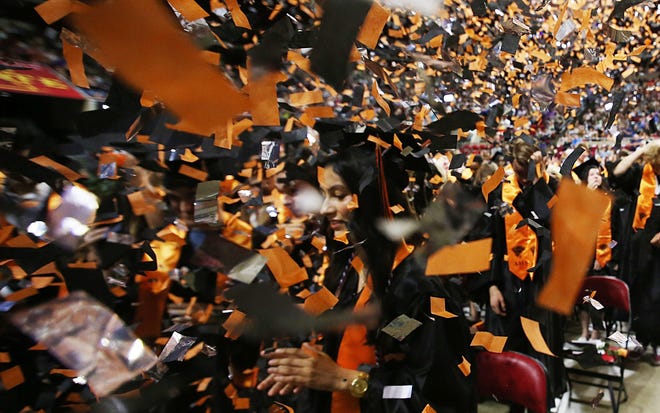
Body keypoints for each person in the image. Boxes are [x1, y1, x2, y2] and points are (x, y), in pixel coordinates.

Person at [257, 146, 476, 412]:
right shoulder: (351, 267)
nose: (325, 208)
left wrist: (345, 380)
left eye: (339, 195)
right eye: (324, 195)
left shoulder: (418, 289)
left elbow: (434, 394)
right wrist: (308, 366)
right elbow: (377, 346)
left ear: (370, 198)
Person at [484, 138, 565, 410]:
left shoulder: (550, 188)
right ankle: (515, 399)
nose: (523, 175)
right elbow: (492, 239)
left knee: (540, 341)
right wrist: (492, 285)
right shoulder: (499, 191)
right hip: (508, 278)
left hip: (540, 280)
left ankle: (540, 399)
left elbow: (549, 219)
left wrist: (539, 181)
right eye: (520, 170)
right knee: (512, 341)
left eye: (528, 169)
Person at [611, 140, 660, 366]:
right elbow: (617, 172)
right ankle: (640, 342)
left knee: (657, 297)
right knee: (640, 297)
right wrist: (640, 151)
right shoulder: (642, 174)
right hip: (640, 250)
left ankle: (658, 347)